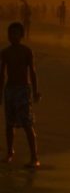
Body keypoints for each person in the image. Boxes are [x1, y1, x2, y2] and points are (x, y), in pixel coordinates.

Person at [0, 22, 41, 168]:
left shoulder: (27, 51)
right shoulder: (5, 53)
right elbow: (2, 74)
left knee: (27, 124)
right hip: (9, 90)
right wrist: (0, 93)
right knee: (9, 124)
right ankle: (10, 153)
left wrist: (35, 91)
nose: (13, 36)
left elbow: (33, 72)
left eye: (16, 33)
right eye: (10, 33)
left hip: (23, 90)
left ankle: (34, 157)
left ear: (21, 35)